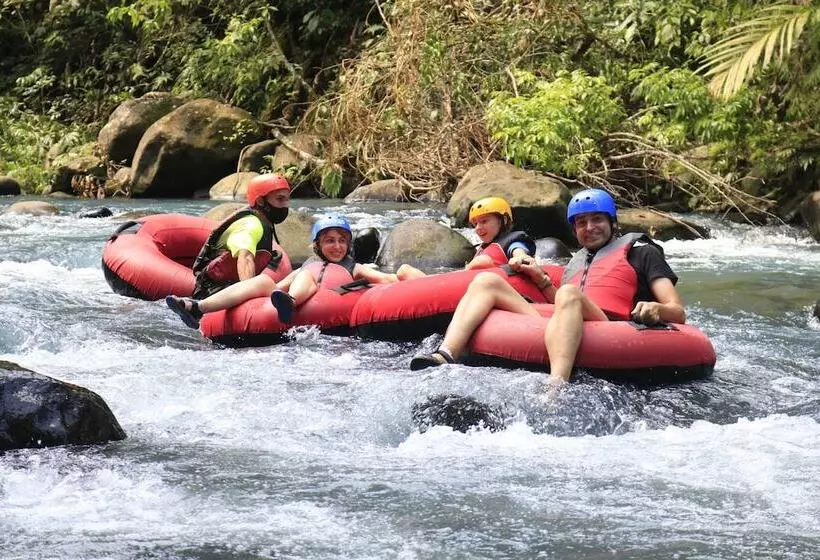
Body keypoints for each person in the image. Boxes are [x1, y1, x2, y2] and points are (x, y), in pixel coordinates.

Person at [410, 188, 686, 387]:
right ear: (574, 229)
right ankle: (446, 354)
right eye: (581, 223)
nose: (589, 228)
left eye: (597, 220)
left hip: (610, 326)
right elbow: (565, 306)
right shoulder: (577, 262)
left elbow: (677, 311)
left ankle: (556, 385)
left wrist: (656, 309)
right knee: (486, 281)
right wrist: (541, 279)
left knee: (567, 293)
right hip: (569, 319)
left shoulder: (642, 253)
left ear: (613, 223)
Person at [166, 214, 400, 328]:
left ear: (349, 245)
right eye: (330, 241)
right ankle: (197, 308)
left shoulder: (355, 268)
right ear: (318, 245)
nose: (337, 246)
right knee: (265, 282)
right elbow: (278, 287)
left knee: (305, 274)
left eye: (342, 241)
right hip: (287, 298)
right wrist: (267, 289)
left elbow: (386, 279)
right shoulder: (308, 265)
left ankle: (291, 301)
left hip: (326, 303)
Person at [190, 173, 291, 299]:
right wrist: (249, 295)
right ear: (260, 201)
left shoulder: (264, 223)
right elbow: (245, 257)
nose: (286, 205)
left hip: (230, 286)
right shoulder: (251, 224)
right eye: (280, 199)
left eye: (287, 199)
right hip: (212, 291)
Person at [396, 197, 536, 280]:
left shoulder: (512, 242)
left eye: (484, 221)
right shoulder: (483, 248)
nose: (478, 228)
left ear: (504, 220)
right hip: (462, 282)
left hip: (485, 285)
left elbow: (518, 251)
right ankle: (376, 279)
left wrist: (520, 258)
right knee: (403, 271)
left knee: (406, 272)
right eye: (475, 224)